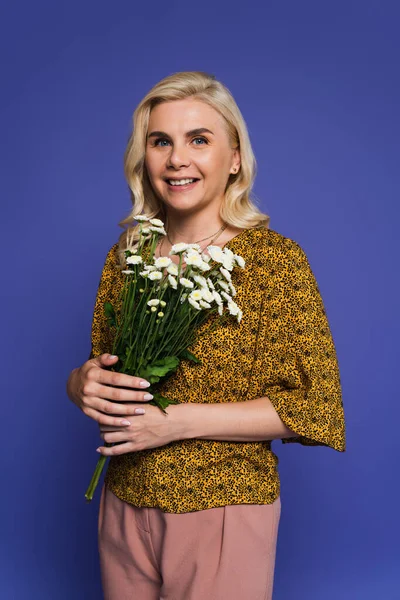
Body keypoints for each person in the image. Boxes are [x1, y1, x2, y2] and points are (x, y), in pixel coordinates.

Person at [66, 71, 346, 600]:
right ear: (142, 157)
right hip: (124, 500)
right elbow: (100, 370)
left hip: (221, 505)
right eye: (160, 141)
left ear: (235, 157)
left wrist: (173, 423)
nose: (177, 159)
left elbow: (316, 406)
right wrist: (81, 383)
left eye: (199, 139)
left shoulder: (273, 263)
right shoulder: (129, 257)